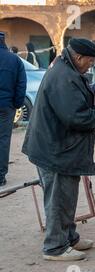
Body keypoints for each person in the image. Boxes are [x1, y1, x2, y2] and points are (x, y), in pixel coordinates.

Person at [22, 38, 95, 261]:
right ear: (78, 57)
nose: (91, 65)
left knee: (67, 195)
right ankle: (55, 247)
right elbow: (75, 116)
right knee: (58, 199)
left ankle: (69, 237)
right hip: (54, 150)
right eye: (90, 61)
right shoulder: (63, 77)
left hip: (60, 147)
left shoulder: (66, 70)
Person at [0, 32, 27, 187]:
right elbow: (21, 84)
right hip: (6, 107)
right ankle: (0, 176)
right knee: (3, 140)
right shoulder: (14, 60)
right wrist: (16, 104)